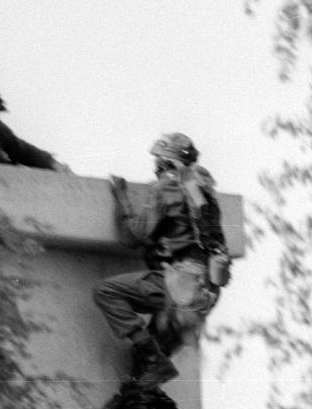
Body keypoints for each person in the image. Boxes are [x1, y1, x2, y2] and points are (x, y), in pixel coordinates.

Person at [92, 132, 230, 389]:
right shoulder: (207, 192)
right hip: (204, 296)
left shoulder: (166, 187)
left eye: (158, 160)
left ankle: (154, 362)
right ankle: (141, 400)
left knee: (105, 291)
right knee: (141, 374)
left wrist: (121, 199)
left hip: (177, 287)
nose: (155, 166)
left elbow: (132, 236)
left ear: (166, 162)